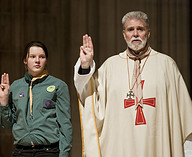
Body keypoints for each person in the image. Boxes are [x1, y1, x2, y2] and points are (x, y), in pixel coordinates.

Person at [74, 11, 192, 157]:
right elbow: (89, 98)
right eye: (130, 30)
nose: (135, 34)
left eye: (140, 29)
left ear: (148, 33)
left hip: (157, 144)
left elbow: (184, 115)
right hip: (120, 146)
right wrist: (85, 67)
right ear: (124, 34)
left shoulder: (166, 65)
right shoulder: (110, 66)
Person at [0, 41, 73, 157]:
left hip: (49, 152)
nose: (37, 60)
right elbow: (7, 124)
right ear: (25, 60)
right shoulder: (15, 87)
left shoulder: (59, 85)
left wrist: (64, 154)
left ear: (46, 60)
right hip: (21, 152)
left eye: (41, 57)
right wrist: (3, 100)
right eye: (32, 57)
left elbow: (65, 124)